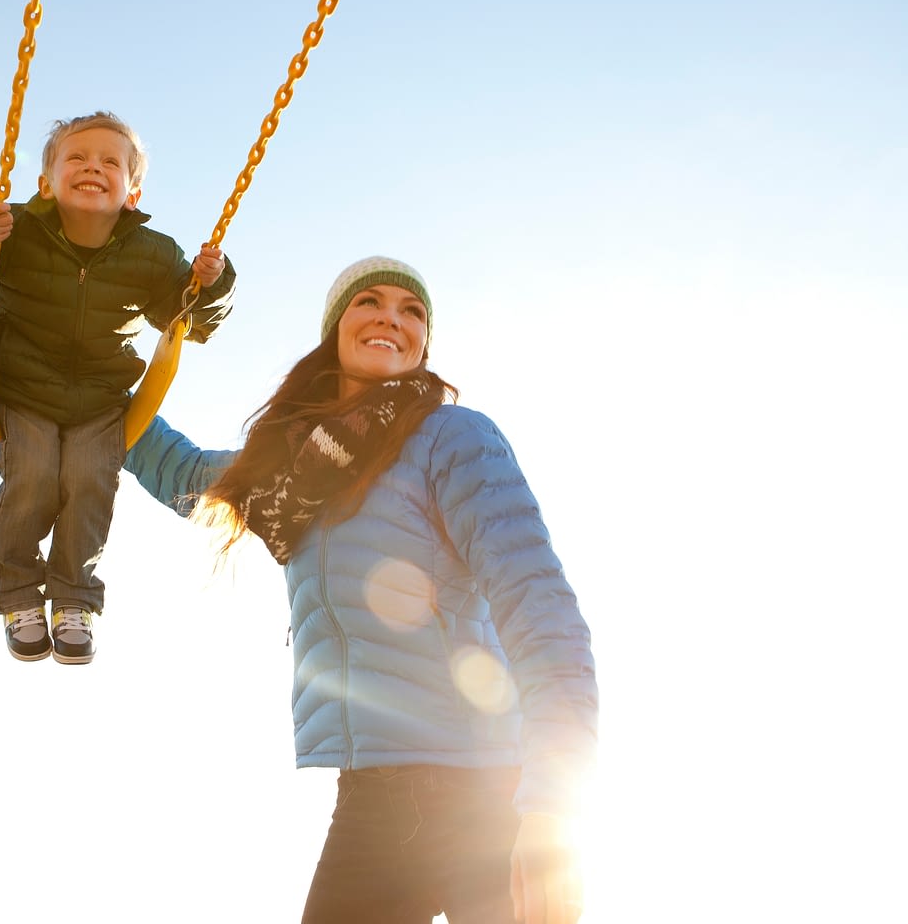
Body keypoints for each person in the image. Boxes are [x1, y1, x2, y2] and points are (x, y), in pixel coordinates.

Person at [124, 257, 596, 923]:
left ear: (423, 343)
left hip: (486, 789)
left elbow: (539, 606)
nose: (390, 318)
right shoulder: (288, 469)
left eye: (412, 311)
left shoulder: (451, 438)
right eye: (368, 302)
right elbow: (181, 470)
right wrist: (87, 376)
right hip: (371, 801)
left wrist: (552, 802)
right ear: (336, 329)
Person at [0, 111, 236, 664]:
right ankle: (17, 594)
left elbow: (193, 320)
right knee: (32, 476)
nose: (94, 167)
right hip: (25, 393)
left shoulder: (152, 255)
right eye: (79, 158)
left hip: (100, 403)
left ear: (132, 192)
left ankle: (73, 601)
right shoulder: (13, 232)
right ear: (46, 183)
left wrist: (211, 283)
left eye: (111, 161)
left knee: (90, 482)